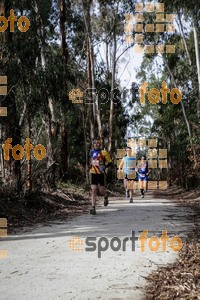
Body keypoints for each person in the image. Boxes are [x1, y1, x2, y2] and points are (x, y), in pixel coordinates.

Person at [89, 138, 112, 215]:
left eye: (98, 143)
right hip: (93, 173)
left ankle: (105, 196)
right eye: (95, 143)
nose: (96, 145)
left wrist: (105, 166)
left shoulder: (104, 152)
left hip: (101, 173)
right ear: (93, 145)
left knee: (101, 190)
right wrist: (89, 167)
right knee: (94, 190)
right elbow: (92, 161)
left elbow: (110, 162)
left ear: (100, 144)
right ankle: (93, 208)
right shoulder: (92, 152)